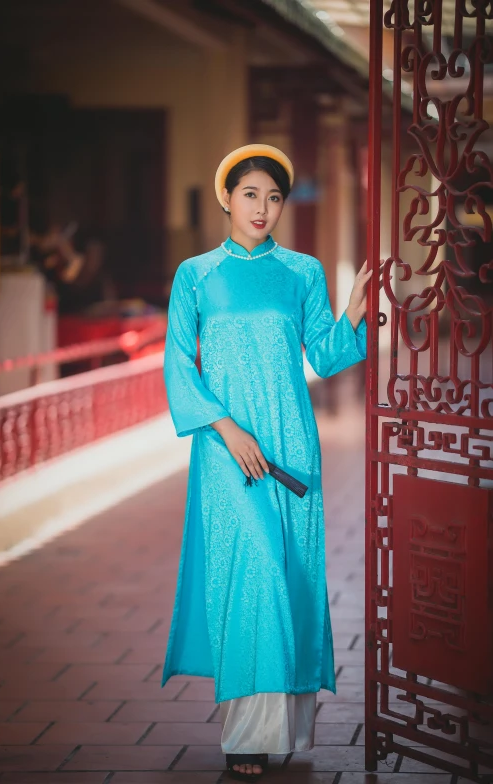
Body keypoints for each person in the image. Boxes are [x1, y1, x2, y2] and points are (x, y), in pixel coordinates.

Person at [161, 144, 373, 781]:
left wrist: (355, 311)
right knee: (249, 574)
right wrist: (226, 427)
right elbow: (178, 363)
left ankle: (283, 728)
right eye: (251, 195)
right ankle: (245, 737)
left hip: (291, 445)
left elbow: (326, 356)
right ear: (227, 198)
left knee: (291, 575)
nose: (263, 208)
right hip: (227, 450)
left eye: (274, 197)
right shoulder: (195, 275)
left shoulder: (302, 272)